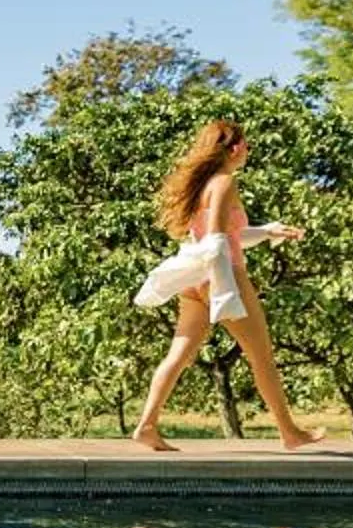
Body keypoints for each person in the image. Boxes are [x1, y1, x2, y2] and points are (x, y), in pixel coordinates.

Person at [129, 119, 328, 452]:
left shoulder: (202, 185)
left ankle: (146, 425)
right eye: (247, 144)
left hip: (194, 278)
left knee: (178, 354)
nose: (248, 150)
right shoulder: (224, 182)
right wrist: (224, 290)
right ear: (235, 148)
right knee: (261, 356)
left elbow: (225, 235)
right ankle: (290, 432)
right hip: (223, 274)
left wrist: (268, 231)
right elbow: (218, 239)